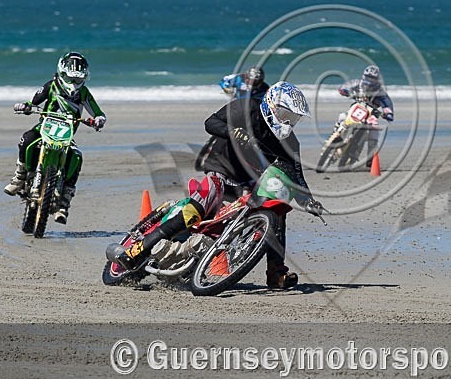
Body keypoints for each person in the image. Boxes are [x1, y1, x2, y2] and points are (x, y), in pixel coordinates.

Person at [107, 81, 323, 289]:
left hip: (247, 185)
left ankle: (276, 273)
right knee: (195, 211)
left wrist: (309, 200)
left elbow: (295, 174)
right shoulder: (246, 107)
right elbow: (210, 122)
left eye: (293, 119)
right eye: (286, 116)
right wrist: (234, 132)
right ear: (271, 105)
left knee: (278, 214)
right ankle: (138, 249)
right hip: (220, 170)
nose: (288, 123)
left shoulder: (289, 142)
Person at [4, 52, 106, 224]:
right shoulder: (51, 86)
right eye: (70, 78)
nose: (73, 83)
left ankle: (64, 203)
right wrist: (25, 106)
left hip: (66, 136)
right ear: (61, 72)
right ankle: (19, 178)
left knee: (77, 157)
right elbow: (34, 101)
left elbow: (97, 111)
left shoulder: (84, 93)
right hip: (44, 128)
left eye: (77, 80)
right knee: (27, 139)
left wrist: (99, 119)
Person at [196, 66, 270, 171]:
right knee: (221, 127)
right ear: (247, 76)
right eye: (251, 80)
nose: (253, 84)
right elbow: (223, 81)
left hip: (250, 114)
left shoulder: (265, 88)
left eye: (256, 82)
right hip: (235, 109)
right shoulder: (238, 78)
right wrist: (228, 90)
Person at [337, 65, 394, 167]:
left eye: (372, 78)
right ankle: (336, 135)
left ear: (377, 80)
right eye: (368, 77)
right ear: (364, 76)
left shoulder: (381, 93)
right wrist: (344, 90)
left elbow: (387, 104)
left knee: (374, 133)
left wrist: (388, 113)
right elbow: (345, 87)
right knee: (342, 116)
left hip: (371, 115)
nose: (369, 80)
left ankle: (370, 159)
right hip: (356, 109)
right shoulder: (357, 84)